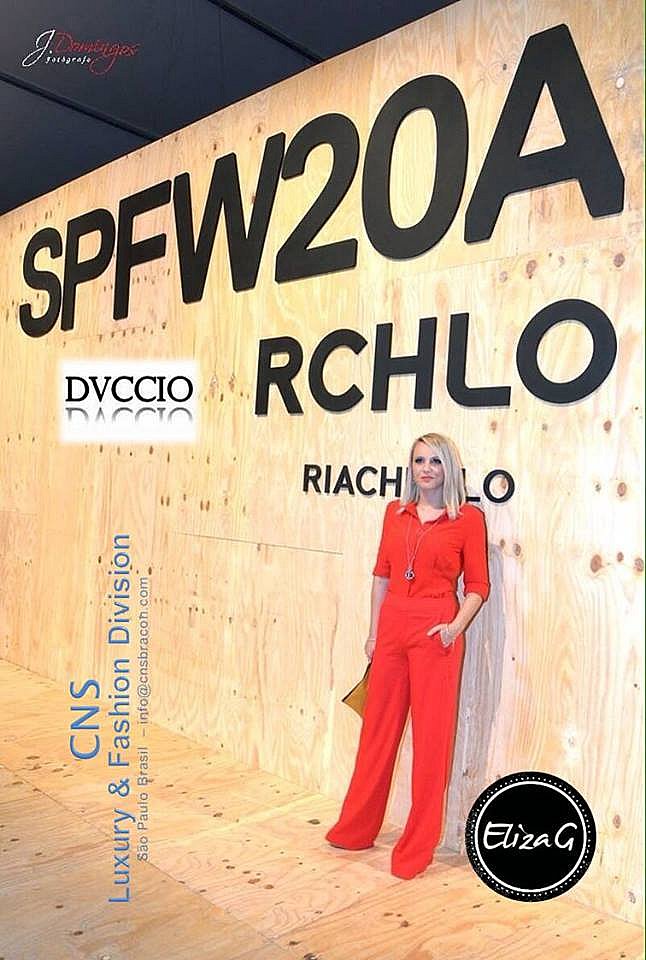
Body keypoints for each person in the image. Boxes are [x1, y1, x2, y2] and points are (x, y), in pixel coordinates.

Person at [325, 432, 490, 879]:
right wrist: (373, 634)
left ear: (448, 468)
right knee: (377, 733)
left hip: (437, 632)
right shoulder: (395, 513)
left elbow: (478, 586)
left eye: (435, 461)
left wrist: (454, 628)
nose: (426, 469)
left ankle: (416, 848)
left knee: (432, 744)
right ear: (410, 467)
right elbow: (381, 575)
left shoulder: (468, 519)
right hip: (393, 626)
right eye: (419, 460)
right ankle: (355, 829)